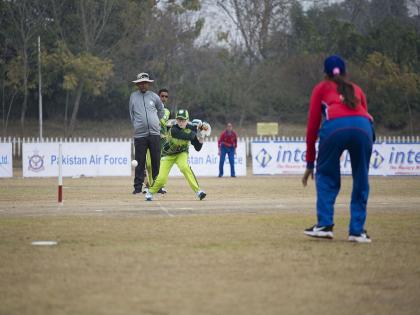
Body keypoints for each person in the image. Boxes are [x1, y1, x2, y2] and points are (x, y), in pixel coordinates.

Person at [302, 55, 375, 243]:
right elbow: (367, 116)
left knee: (326, 175)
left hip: (335, 128)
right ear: (345, 72)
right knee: (361, 177)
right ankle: (357, 231)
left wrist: (310, 162)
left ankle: (325, 225)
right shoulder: (356, 89)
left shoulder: (321, 88)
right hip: (363, 128)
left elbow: (312, 128)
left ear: (325, 74)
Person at [145, 109, 207, 201]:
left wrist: (202, 135)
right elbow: (187, 136)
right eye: (179, 120)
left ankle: (199, 192)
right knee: (161, 179)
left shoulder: (191, 129)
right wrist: (196, 128)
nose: (181, 122)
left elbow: (198, 148)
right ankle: (150, 192)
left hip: (181, 153)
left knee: (184, 167)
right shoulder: (173, 129)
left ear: (187, 120)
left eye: (183, 120)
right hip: (167, 155)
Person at [129, 72, 165, 194]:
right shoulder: (133, 96)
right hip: (140, 135)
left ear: (148, 84)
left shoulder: (154, 97)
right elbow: (131, 114)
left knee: (156, 161)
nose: (143, 85)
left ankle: (157, 186)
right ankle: (137, 187)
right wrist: (137, 125)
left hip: (154, 134)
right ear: (137, 84)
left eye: (145, 83)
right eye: (141, 83)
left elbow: (161, 111)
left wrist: (155, 122)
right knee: (139, 162)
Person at [143, 88, 171, 193]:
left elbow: (169, 128)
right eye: (162, 96)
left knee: (161, 165)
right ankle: (149, 185)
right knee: (149, 165)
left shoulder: (168, 112)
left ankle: (160, 186)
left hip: (163, 142)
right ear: (158, 97)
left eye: (166, 96)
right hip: (150, 139)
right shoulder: (151, 109)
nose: (164, 98)